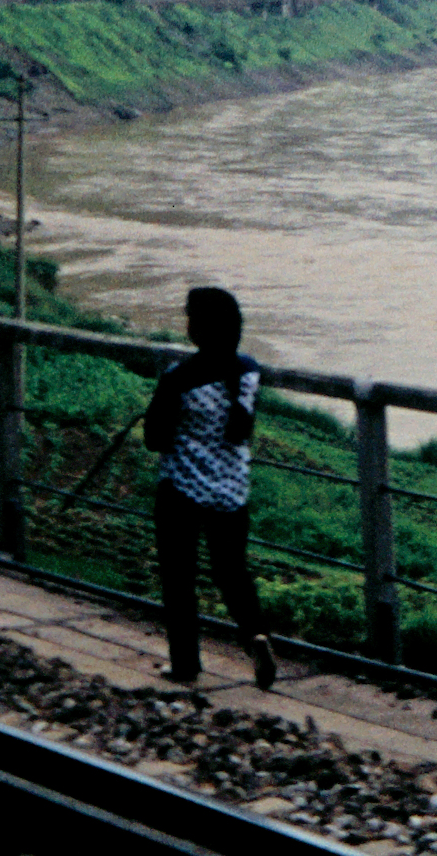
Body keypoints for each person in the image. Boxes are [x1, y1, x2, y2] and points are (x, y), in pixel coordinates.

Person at [145, 286, 277, 688]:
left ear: (198, 327)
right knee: (232, 572)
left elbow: (156, 439)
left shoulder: (178, 378)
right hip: (232, 492)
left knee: (179, 578)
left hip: (181, 492)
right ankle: (256, 636)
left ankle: (185, 665)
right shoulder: (250, 372)